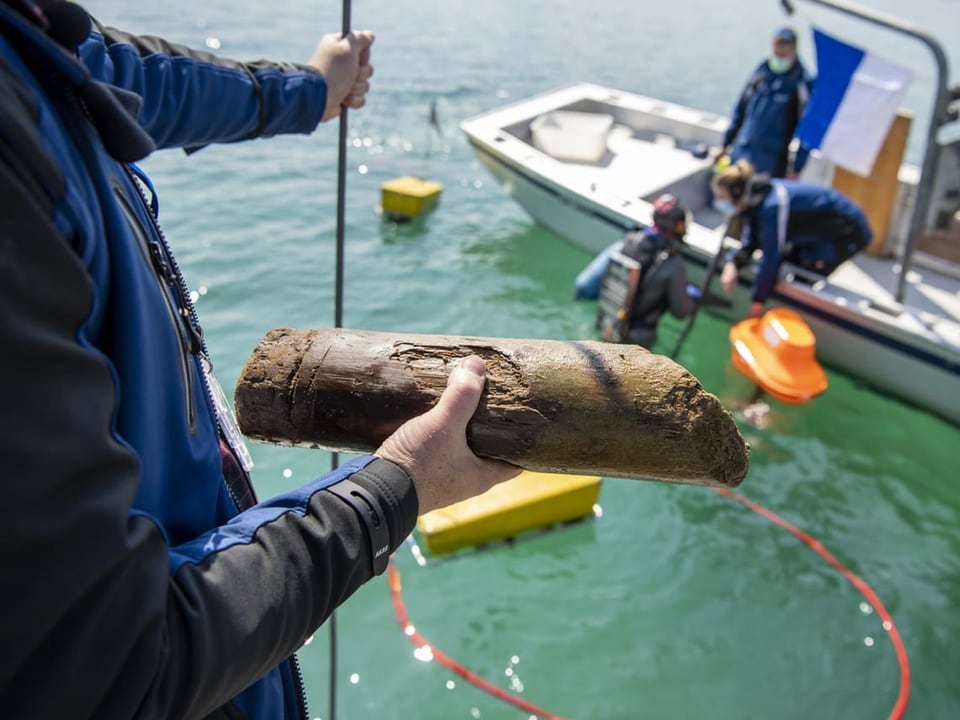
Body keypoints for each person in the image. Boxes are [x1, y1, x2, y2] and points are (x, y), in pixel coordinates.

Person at [0, 2, 519, 719]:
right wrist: (394, 490)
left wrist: (309, 89)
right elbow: (115, 665)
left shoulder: (32, 49)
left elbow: (123, 74)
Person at [711, 159, 872, 318]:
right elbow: (752, 238)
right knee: (788, 266)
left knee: (804, 276)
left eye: (722, 197)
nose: (719, 202)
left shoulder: (771, 207)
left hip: (846, 232)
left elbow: (772, 255)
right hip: (812, 227)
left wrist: (757, 302)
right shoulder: (755, 199)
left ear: (737, 194)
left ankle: (796, 319)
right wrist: (733, 262)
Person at [590, 194, 697, 347]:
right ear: (678, 226)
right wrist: (693, 300)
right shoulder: (674, 264)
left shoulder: (631, 239)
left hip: (610, 323)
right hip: (639, 337)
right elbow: (680, 311)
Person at [712, 26, 815, 179]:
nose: (778, 57)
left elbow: (808, 130)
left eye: (783, 54)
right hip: (742, 150)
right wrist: (724, 144)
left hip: (771, 160)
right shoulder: (761, 72)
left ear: (794, 50)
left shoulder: (802, 83)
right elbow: (740, 110)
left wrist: (797, 168)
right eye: (776, 52)